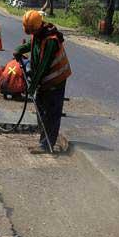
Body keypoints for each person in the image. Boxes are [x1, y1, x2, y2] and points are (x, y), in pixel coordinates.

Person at [13, 10, 71, 154]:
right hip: (45, 78)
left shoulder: (51, 40)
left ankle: (47, 145)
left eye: (32, 30)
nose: (30, 32)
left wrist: (32, 86)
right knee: (40, 109)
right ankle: (43, 141)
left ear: (38, 27)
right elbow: (32, 44)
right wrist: (21, 49)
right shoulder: (38, 32)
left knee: (51, 112)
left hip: (55, 79)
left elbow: (43, 67)